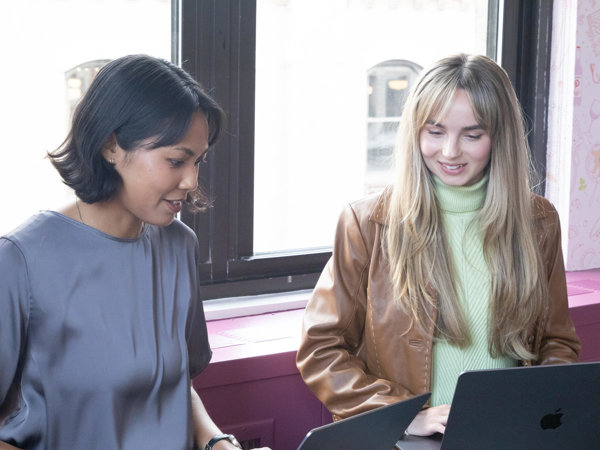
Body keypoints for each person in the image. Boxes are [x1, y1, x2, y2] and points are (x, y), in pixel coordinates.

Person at [296, 53, 581, 437]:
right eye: (434, 132)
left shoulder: (539, 223)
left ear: (500, 136)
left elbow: (556, 342)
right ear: (415, 133)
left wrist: (535, 415)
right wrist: (402, 415)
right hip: (409, 441)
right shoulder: (366, 224)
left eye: (472, 135)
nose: (449, 151)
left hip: (507, 436)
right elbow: (321, 348)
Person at [0, 54, 269, 450]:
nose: (192, 180)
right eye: (176, 161)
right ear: (111, 145)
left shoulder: (180, 246)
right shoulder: (21, 260)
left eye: (198, 161)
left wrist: (216, 443)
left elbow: (175, 389)